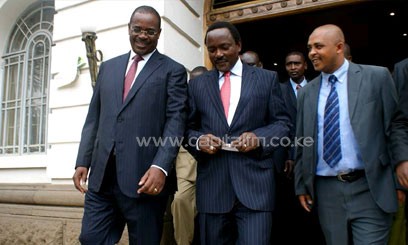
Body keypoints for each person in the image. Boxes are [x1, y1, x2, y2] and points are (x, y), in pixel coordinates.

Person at [72, 5, 188, 244]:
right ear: (129, 29)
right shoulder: (108, 67)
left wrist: (161, 167)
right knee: (91, 238)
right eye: (138, 29)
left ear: (158, 33)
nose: (143, 35)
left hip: (144, 181)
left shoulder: (172, 71)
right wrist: (83, 160)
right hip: (102, 177)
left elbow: (176, 122)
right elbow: (94, 117)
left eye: (150, 31)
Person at [185, 21, 291, 244]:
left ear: (239, 45)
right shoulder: (197, 85)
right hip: (213, 189)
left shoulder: (266, 79)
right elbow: (186, 129)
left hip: (255, 190)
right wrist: (198, 140)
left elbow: (282, 124)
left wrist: (259, 137)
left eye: (224, 47)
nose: (218, 54)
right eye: (212, 50)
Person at [295, 24, 399, 244]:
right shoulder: (306, 93)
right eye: (309, 47)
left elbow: (396, 127)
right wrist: (301, 184)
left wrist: (399, 176)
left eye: (318, 46)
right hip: (326, 191)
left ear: (339, 47)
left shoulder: (377, 77)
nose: (312, 52)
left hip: (371, 187)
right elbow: (301, 141)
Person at [272, 51, 325, 244]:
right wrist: (289, 154)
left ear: (305, 65)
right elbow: (280, 125)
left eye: (297, 63)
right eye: (289, 64)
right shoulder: (278, 89)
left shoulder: (318, 87)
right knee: (288, 207)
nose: (293, 67)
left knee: (313, 207)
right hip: (285, 158)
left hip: (313, 157)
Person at [171, 65, 208, 245]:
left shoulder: (219, 99)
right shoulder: (181, 102)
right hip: (186, 163)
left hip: (214, 164)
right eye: (193, 83)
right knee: (180, 200)